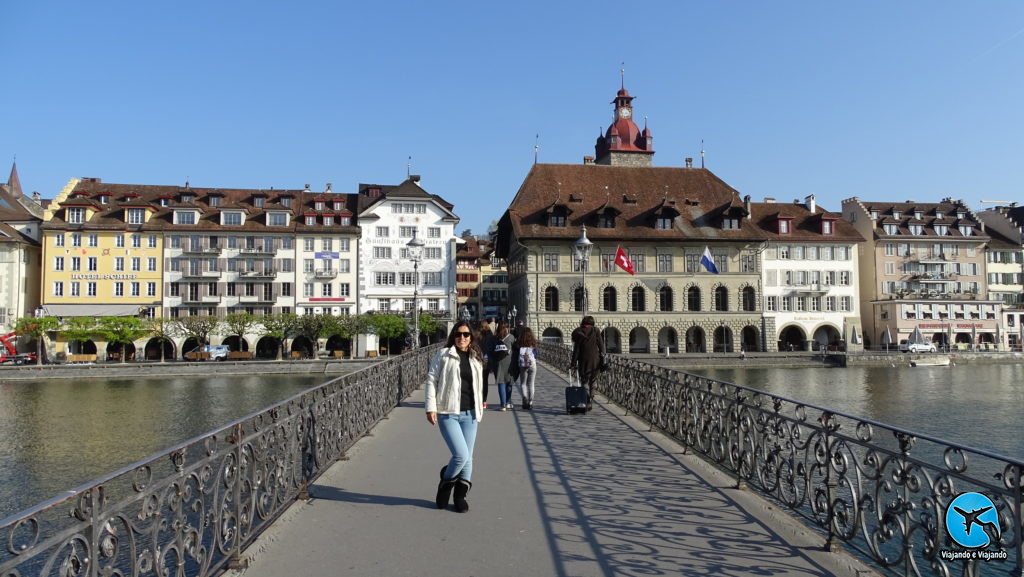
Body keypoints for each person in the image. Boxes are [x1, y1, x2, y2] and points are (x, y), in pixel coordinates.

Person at [424, 321, 485, 513]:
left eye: (466, 335)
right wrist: (430, 408)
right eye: (458, 334)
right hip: (448, 412)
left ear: (471, 337)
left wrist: (482, 402)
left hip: (471, 413)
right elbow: (431, 380)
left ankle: (460, 496)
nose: (462, 338)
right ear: (453, 336)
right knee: (461, 455)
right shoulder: (443, 355)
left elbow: (479, 384)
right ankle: (445, 485)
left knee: (468, 459)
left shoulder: (475, 358)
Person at [569, 315, 605, 412]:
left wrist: (573, 363)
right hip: (595, 360)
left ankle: (587, 398)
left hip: (583, 361)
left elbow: (576, 350)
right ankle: (590, 400)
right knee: (593, 381)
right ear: (592, 323)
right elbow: (601, 346)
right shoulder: (596, 330)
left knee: (584, 381)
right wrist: (603, 357)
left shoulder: (579, 332)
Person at [488, 323, 515, 410]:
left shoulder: (494, 338)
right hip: (509, 362)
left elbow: (491, 351)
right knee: (509, 381)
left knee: (501, 382)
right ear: (506, 328)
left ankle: (503, 405)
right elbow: (515, 348)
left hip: (498, 362)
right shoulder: (511, 337)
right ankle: (508, 402)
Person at [516, 327, 538, 410]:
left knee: (523, 384)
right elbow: (536, 355)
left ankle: (524, 399)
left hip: (523, 365)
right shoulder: (534, 343)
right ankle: (531, 402)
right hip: (532, 365)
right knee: (531, 384)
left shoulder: (520, 343)